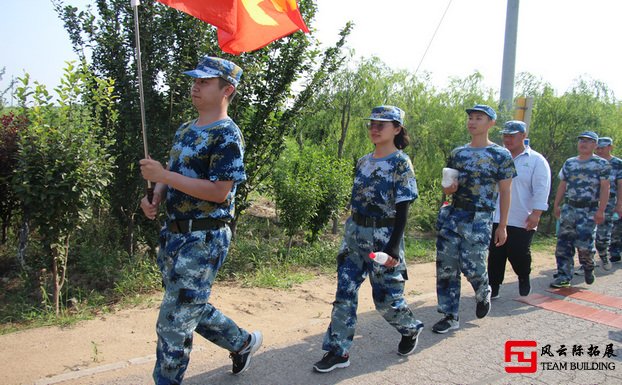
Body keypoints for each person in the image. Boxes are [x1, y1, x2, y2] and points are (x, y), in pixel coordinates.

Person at [139, 56, 261, 385]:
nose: (195, 85)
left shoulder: (227, 135)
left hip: (204, 238)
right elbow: (173, 171)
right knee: (189, 304)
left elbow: (220, 191)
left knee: (174, 321)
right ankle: (243, 342)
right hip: (174, 234)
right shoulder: (186, 129)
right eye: (195, 80)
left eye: (204, 82)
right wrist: (157, 193)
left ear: (227, 90)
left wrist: (164, 175)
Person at [313, 105, 424, 373]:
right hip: (355, 234)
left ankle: (409, 328)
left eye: (381, 125)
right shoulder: (363, 161)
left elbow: (403, 207)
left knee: (386, 299)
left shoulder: (400, 163)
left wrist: (394, 245)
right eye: (372, 124)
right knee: (345, 294)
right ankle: (338, 351)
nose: (374, 129)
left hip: (383, 237)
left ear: (396, 129)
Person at [433, 104, 516, 334]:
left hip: (479, 217)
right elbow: (448, 186)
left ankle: (483, 291)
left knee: (473, 265)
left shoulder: (500, 155)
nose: (472, 122)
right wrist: (449, 188)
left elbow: (506, 191)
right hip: (453, 214)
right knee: (446, 266)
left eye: (478, 118)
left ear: (491, 123)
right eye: (470, 118)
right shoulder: (459, 153)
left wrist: (503, 225)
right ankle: (450, 315)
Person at [488, 121, 551, 298]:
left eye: (512, 136)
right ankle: (493, 287)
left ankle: (523, 276)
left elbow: (542, 187)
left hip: (522, 216)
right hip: (496, 216)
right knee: (495, 254)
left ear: (523, 136)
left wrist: (537, 213)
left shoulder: (536, 161)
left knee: (518, 253)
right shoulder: (498, 157)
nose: (508, 139)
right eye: (505, 135)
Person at [550, 131, 611, 288]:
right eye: (581, 140)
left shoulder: (601, 164)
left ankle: (588, 266)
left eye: (588, 141)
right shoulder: (570, 163)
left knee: (584, 246)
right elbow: (563, 184)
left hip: (588, 210)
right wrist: (557, 205)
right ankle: (564, 276)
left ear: (595, 145)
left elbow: (605, 188)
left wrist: (601, 210)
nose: (583, 143)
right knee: (564, 244)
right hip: (569, 208)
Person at [592, 137, 622, 270]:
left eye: (602, 148)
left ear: (610, 147)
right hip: (591, 201)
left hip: (609, 202)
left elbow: (620, 184)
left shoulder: (617, 163)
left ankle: (605, 254)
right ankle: (587, 262)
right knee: (587, 232)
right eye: (597, 148)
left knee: (603, 233)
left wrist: (619, 204)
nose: (599, 151)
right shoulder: (593, 162)